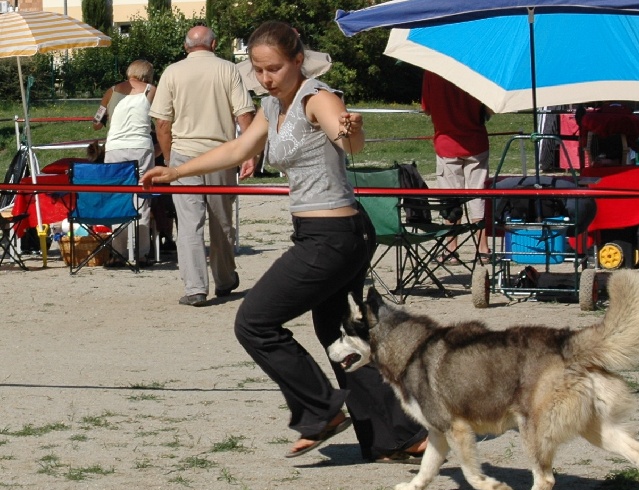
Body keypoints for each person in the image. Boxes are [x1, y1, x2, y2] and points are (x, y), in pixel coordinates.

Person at [141, 21, 427, 462]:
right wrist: (176, 171)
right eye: (257, 70)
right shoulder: (272, 106)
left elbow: (347, 139)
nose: (265, 78)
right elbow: (238, 150)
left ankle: (320, 411)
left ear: (297, 60)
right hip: (328, 234)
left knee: (254, 322)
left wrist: (351, 129)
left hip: (333, 237)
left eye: (273, 68)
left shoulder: (318, 97)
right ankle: (400, 436)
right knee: (337, 334)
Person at [149, 26, 256, 307]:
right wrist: (249, 153)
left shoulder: (171, 72)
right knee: (222, 221)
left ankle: (195, 287)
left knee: (188, 224)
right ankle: (225, 279)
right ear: (214, 44)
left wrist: (169, 159)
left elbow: (162, 123)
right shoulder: (229, 69)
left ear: (186, 46)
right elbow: (244, 113)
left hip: (184, 156)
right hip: (222, 154)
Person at [92, 59, 158, 267]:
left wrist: (106, 116)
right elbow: (161, 119)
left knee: (118, 198)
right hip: (141, 146)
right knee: (142, 198)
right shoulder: (151, 90)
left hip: (115, 148)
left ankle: (118, 252)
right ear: (148, 75)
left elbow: (96, 123)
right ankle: (141, 252)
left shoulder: (111, 91)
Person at [421, 71, 491, 264]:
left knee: (450, 200)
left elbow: (427, 108)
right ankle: (483, 249)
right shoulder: (475, 69)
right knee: (478, 197)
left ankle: (451, 249)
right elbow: (488, 107)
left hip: (447, 143)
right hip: (476, 142)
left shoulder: (432, 71)